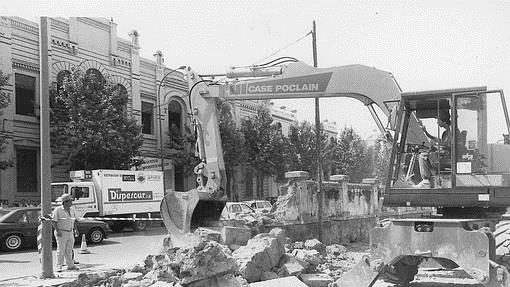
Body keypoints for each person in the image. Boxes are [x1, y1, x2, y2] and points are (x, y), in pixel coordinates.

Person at [414, 110, 451, 188]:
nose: (437, 123)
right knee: (429, 153)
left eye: (438, 120)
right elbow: (437, 139)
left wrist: (437, 146)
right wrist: (426, 132)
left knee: (423, 156)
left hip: (446, 157)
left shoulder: (451, 133)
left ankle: (426, 181)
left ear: (443, 120)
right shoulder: (446, 133)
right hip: (444, 155)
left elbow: (448, 146)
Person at [51, 194, 79, 271]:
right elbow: (54, 221)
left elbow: (74, 220)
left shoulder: (72, 210)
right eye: (70, 201)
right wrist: (58, 230)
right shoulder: (58, 210)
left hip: (70, 232)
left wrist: (75, 229)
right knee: (61, 250)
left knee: (69, 250)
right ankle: (59, 266)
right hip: (62, 232)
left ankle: (70, 265)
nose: (71, 203)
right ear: (65, 202)